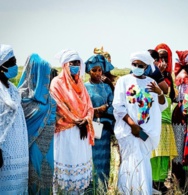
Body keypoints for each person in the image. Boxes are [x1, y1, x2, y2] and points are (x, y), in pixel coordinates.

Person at [113, 51, 168, 194]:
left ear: (146, 66)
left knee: (143, 163)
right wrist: (132, 125)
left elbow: (161, 106)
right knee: (129, 162)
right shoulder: (123, 81)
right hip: (129, 130)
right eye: (134, 64)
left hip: (145, 131)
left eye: (140, 65)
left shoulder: (151, 82)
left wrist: (159, 92)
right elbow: (118, 106)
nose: (137, 66)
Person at [50, 49, 94, 194]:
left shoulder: (81, 83)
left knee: (79, 167)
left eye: (77, 63)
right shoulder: (57, 83)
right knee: (66, 168)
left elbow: (89, 106)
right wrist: (78, 121)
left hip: (82, 132)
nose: (75, 65)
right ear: (64, 65)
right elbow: (60, 107)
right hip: (65, 133)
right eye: (72, 63)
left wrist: (86, 120)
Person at [18, 53, 57, 194]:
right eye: (44, 75)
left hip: (48, 149)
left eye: (48, 75)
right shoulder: (20, 99)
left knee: (46, 180)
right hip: (29, 149)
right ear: (35, 74)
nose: (47, 80)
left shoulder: (50, 99)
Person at [0, 44, 29, 194]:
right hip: (3, 149)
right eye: (11, 63)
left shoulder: (13, 89)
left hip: (18, 148)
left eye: (15, 62)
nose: (15, 66)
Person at [150, 43, 177, 191]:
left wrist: (165, 77)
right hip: (155, 119)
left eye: (165, 57)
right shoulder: (151, 74)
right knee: (155, 152)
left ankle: (161, 182)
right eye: (159, 57)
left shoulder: (169, 76)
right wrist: (158, 75)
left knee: (164, 154)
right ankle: (153, 182)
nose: (163, 61)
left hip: (167, 120)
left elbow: (172, 96)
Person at [85, 55, 115, 188]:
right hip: (88, 131)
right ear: (89, 71)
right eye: (94, 70)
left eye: (100, 70)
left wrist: (106, 109)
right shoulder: (84, 88)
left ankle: (102, 188)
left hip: (104, 131)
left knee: (104, 161)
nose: (98, 73)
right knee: (90, 160)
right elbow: (81, 107)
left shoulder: (107, 88)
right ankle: (90, 188)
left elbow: (113, 105)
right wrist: (94, 110)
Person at [171, 50, 188, 186]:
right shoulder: (184, 77)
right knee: (180, 147)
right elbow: (182, 98)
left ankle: (186, 179)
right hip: (182, 116)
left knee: (186, 147)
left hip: (187, 115)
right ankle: (180, 180)